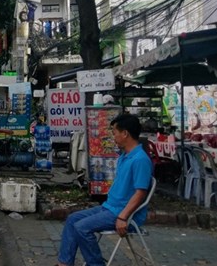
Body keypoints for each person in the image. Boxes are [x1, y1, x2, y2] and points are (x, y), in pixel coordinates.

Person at [57, 114, 153, 266]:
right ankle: (64, 263)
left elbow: (140, 193)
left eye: (114, 132)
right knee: (72, 220)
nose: (113, 137)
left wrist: (123, 217)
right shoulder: (125, 156)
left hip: (123, 213)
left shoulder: (140, 160)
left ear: (125, 133)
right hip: (109, 207)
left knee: (82, 228)